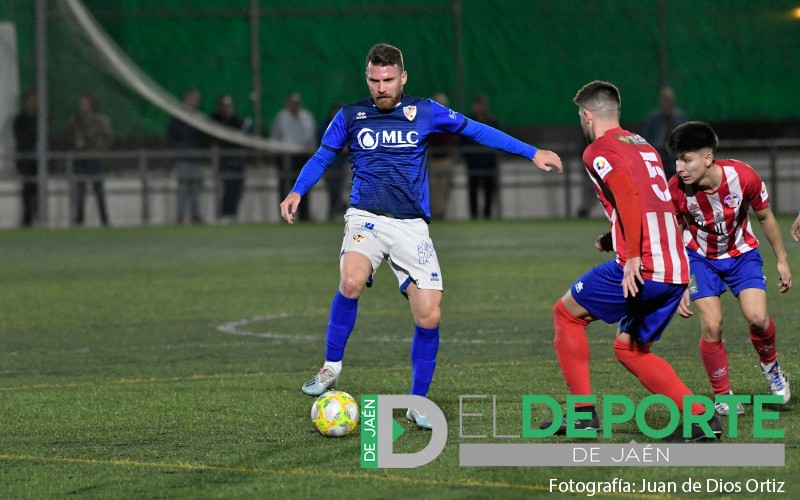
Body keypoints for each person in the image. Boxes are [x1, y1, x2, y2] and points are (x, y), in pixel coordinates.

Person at [280, 43, 562, 429]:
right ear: (367, 78)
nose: (381, 87)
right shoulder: (350, 116)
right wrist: (297, 190)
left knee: (429, 314)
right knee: (351, 279)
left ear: (403, 77)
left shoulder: (425, 112)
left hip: (411, 226)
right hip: (366, 218)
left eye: (389, 80)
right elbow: (321, 156)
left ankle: (418, 402)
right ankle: (331, 367)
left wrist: (531, 152)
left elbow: (476, 130)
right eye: (374, 80)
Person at [542, 81, 721, 442]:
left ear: (587, 115)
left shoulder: (598, 149)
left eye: (581, 116)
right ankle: (702, 419)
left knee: (566, 314)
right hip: (674, 267)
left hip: (646, 265)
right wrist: (616, 234)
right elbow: (653, 200)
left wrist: (633, 255)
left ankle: (581, 417)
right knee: (630, 349)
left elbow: (625, 191)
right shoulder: (643, 145)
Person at [667, 121, 792, 416]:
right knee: (712, 325)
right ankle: (723, 395)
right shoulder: (675, 190)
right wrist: (679, 280)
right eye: (676, 159)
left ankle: (772, 368)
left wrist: (782, 259)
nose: (679, 167)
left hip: (742, 255)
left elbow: (765, 218)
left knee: (758, 318)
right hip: (699, 258)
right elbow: (672, 234)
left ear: (707, 158)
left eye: (686, 159)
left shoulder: (743, 176)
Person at [65, 93, 112, 226]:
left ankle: (104, 220)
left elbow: (106, 137)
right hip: (81, 160)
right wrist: (76, 143)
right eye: (82, 102)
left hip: (95, 160)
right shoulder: (75, 120)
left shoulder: (100, 120)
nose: (83, 105)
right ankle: (79, 220)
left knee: (99, 192)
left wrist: (96, 146)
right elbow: (68, 137)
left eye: (86, 102)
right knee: (80, 192)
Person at [271, 91, 317, 221]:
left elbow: (311, 137)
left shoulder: (306, 117)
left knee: (304, 187)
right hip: (286, 156)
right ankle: (285, 216)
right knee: (285, 186)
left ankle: (304, 216)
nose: (295, 105)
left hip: (303, 156)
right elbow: (275, 137)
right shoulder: (281, 117)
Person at [168, 89, 209, 225]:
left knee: (195, 188)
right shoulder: (179, 117)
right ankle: (179, 217)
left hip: (197, 157)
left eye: (196, 100)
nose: (194, 102)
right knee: (183, 187)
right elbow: (172, 134)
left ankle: (195, 216)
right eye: (192, 99)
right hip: (184, 157)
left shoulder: (200, 117)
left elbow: (205, 138)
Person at [211, 94, 249, 222]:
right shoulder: (215, 119)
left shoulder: (236, 120)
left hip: (237, 160)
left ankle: (232, 213)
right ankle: (224, 214)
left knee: (236, 188)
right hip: (224, 160)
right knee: (227, 187)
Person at [461, 94, 500, 219]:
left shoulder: (492, 121)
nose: (479, 107)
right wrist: (467, 156)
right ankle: (473, 215)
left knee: (489, 189)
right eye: (477, 105)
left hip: (489, 161)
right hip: (473, 162)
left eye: (481, 104)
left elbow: (499, 140)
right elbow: (461, 141)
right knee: (473, 190)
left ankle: (487, 215)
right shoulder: (467, 121)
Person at [641, 86, 687, 178]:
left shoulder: (680, 117)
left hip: (675, 159)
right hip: (658, 157)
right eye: (665, 100)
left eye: (669, 100)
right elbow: (645, 139)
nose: (667, 103)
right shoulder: (652, 119)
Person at [427, 93, 457, 220]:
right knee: (434, 189)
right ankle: (435, 214)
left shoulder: (450, 119)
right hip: (434, 159)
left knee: (444, 188)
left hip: (446, 159)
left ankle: (441, 213)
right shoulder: (429, 121)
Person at [318, 102, 349, 221]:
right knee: (333, 188)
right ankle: (336, 209)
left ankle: (336, 209)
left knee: (338, 188)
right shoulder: (326, 126)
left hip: (341, 162)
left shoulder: (347, 126)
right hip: (329, 162)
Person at [13, 88, 38, 227]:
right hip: (25, 160)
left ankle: (40, 217)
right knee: (27, 189)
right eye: (29, 99)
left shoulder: (42, 117)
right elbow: (20, 139)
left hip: (39, 161)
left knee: (38, 189)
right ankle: (27, 219)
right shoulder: (20, 119)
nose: (32, 102)